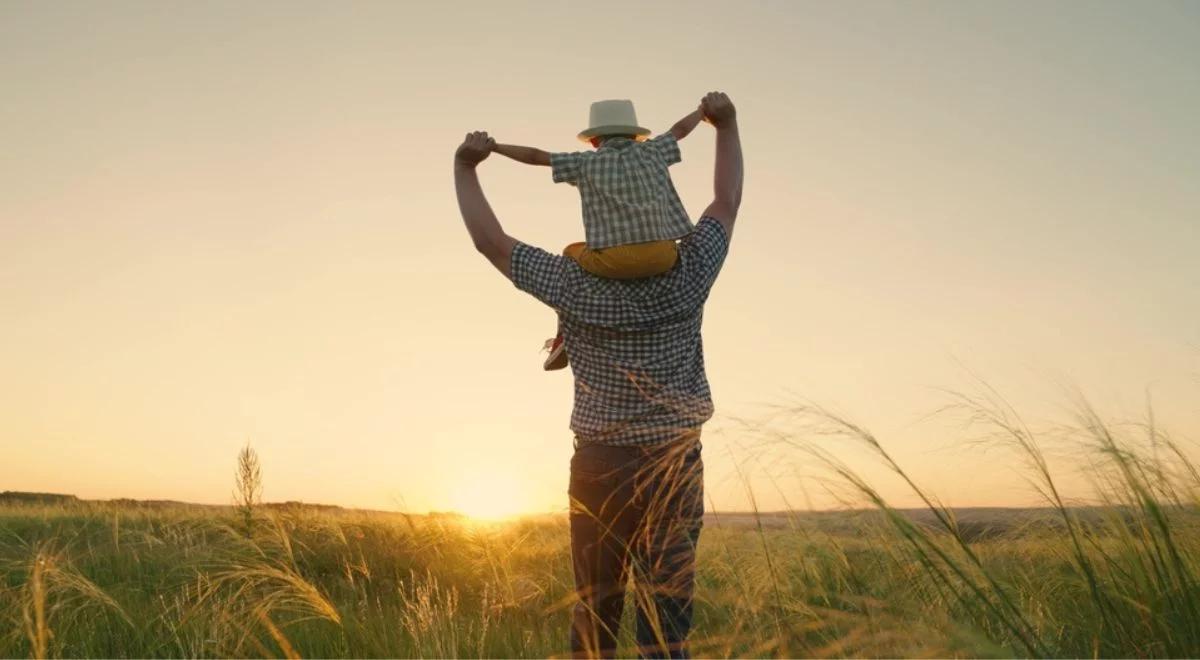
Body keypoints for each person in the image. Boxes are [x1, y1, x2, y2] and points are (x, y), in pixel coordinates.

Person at [453, 91, 742, 659]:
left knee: (596, 613)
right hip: (675, 464)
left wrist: (465, 168)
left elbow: (490, 242)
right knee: (667, 623)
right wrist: (726, 125)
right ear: (645, 159)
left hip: (601, 465)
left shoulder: (573, 283)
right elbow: (725, 202)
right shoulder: (692, 269)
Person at [491, 99, 706, 370]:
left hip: (613, 263)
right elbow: (681, 129)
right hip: (664, 256)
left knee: (570, 252)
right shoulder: (655, 151)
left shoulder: (585, 163)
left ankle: (563, 335)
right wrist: (701, 112)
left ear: (593, 141)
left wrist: (496, 148)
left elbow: (536, 156)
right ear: (635, 136)